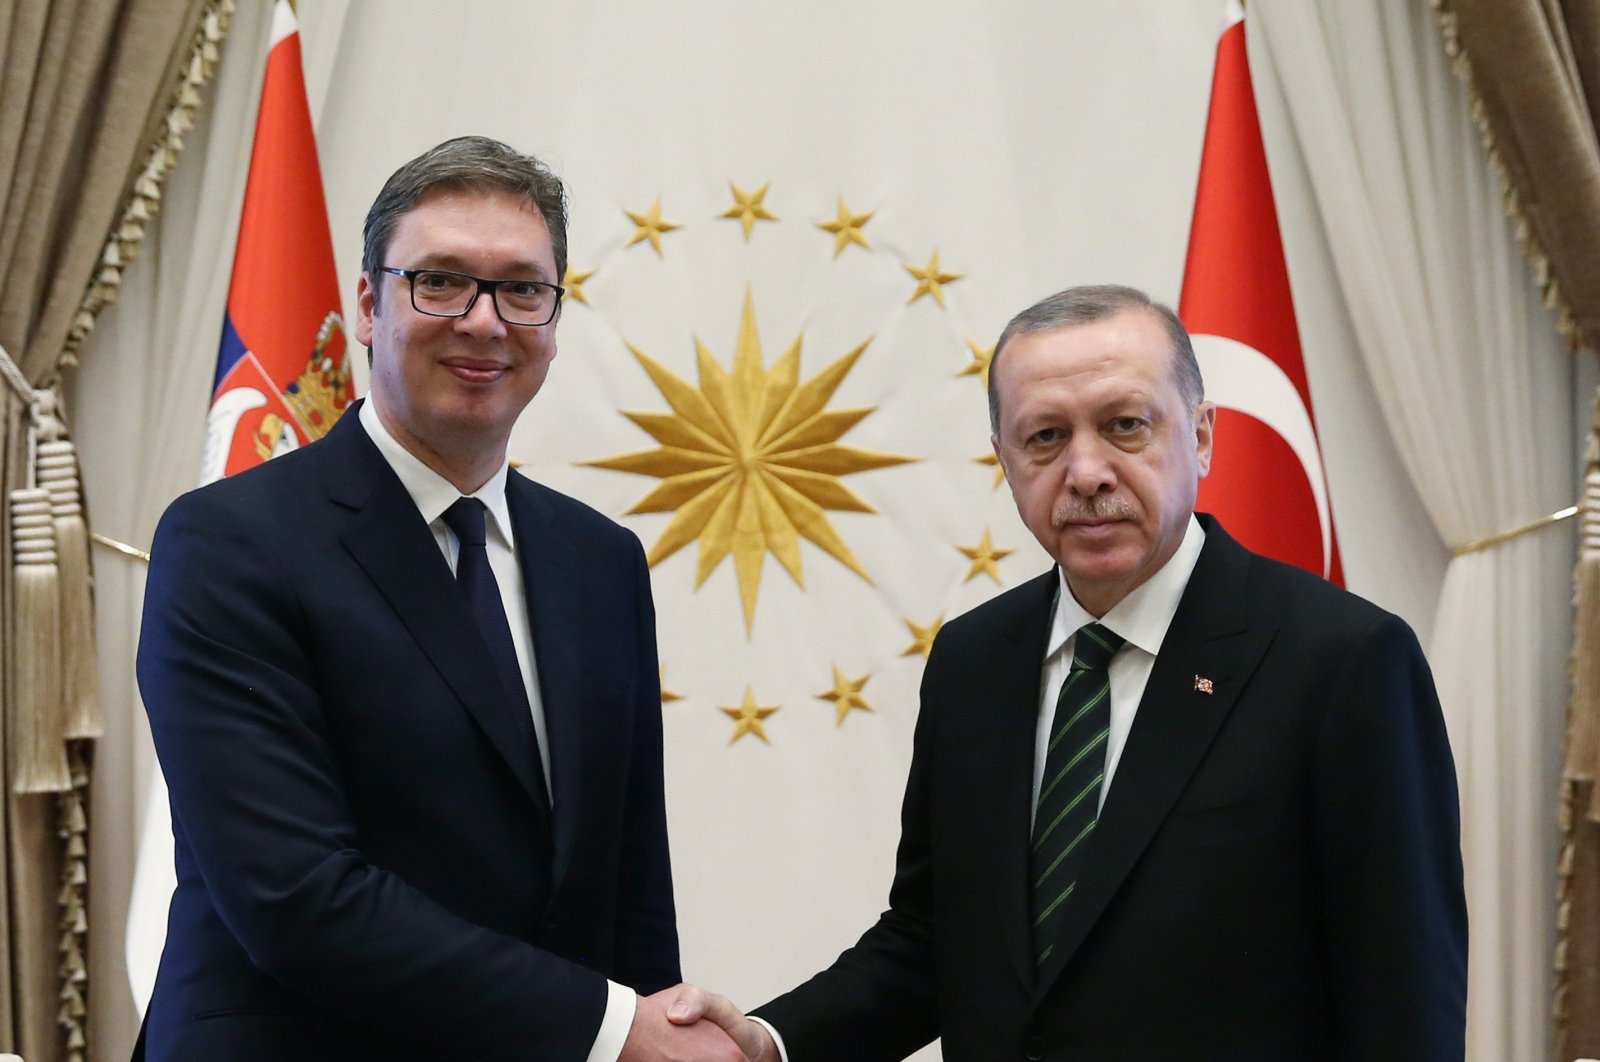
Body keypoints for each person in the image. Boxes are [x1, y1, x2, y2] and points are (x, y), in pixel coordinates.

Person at [677, 285, 1468, 1060]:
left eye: (1126, 427)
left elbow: (1401, 998)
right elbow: (935, 941)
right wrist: (768, 1044)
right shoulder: (974, 663)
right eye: (1046, 437)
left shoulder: (1343, 662)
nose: (1086, 472)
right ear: (1006, 462)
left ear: (1201, 437)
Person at [136, 136, 741, 1062]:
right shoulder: (230, 543)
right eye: (443, 281)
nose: (484, 321)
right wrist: (613, 1030)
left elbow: (625, 885)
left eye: (522, 289)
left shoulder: (599, 560)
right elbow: (295, 894)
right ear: (372, 306)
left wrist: (657, 1026)